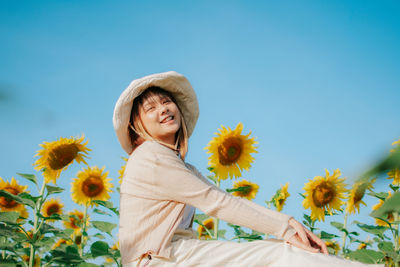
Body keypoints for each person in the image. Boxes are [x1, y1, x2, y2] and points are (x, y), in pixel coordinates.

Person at [113, 71, 382, 267]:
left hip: (171, 256)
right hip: (159, 259)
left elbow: (215, 194)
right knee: (283, 255)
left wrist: (284, 229)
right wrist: (286, 226)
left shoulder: (173, 163)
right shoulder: (152, 157)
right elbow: (218, 202)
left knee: (277, 252)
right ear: (138, 127)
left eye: (166, 102)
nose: (163, 109)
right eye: (150, 108)